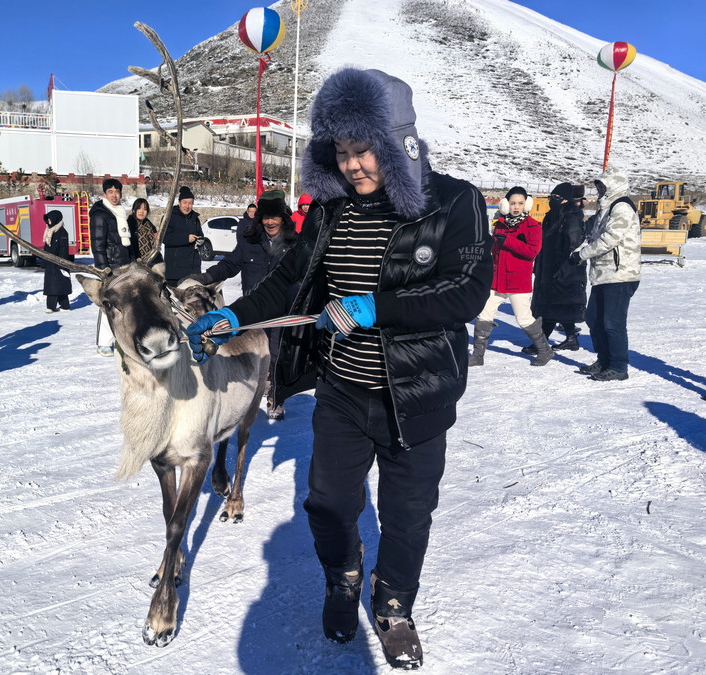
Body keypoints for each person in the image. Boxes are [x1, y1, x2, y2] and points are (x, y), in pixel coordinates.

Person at [186, 68, 493, 669]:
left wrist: (378, 307)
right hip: (343, 389)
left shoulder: (456, 201)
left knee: (407, 516)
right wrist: (235, 316)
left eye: (364, 150)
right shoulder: (332, 209)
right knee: (327, 505)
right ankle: (344, 577)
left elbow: (466, 290)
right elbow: (289, 279)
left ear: (399, 142)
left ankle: (394, 603)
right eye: (342, 152)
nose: (352, 166)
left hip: (418, 393)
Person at [183, 189, 299, 420]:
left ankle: (276, 396)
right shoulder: (249, 241)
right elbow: (230, 265)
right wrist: (206, 277)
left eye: (275, 217)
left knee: (277, 354)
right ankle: (251, 393)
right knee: (251, 354)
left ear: (283, 217)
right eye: (265, 217)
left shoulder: (294, 244)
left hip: (282, 311)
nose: (270, 222)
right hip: (253, 310)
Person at [571, 165, 641, 381]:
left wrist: (583, 254)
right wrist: (578, 251)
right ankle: (604, 360)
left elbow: (610, 239)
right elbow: (594, 237)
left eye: (602, 186)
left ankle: (618, 366)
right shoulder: (606, 208)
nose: (599, 190)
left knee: (612, 323)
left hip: (620, 275)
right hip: (603, 275)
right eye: (598, 186)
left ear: (614, 185)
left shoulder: (622, 207)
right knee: (594, 319)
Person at [469, 186, 547, 366]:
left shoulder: (533, 226)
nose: (516, 207)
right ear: (506, 204)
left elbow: (532, 252)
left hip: (518, 281)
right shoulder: (500, 224)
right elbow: (495, 252)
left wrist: (510, 241)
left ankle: (545, 350)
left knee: (523, 319)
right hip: (497, 280)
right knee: (484, 314)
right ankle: (478, 356)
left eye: (520, 203)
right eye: (513, 203)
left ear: (527, 204)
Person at [526, 182, 587, 354]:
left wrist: (564, 268)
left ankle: (542, 342)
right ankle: (571, 339)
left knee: (552, 306)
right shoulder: (552, 216)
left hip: (564, 269)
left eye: (556, 197)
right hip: (549, 267)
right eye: (551, 197)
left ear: (566, 199)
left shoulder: (571, 216)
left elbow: (573, 244)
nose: (552, 200)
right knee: (559, 306)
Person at [89, 178, 133, 356]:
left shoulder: (119, 211)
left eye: (117, 192)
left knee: (123, 305)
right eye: (111, 192)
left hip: (123, 265)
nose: (114, 195)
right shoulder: (100, 214)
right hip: (110, 267)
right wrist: (103, 269)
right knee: (108, 304)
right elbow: (97, 244)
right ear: (104, 194)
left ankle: (120, 339)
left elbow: (125, 241)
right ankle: (104, 343)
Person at [163, 185, 203, 285]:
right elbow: (165, 238)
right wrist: (186, 239)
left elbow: (201, 236)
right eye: (185, 202)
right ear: (179, 203)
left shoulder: (195, 219)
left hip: (193, 271)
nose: (187, 206)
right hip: (175, 272)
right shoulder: (169, 217)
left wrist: (200, 242)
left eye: (190, 203)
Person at [42, 210, 72, 313]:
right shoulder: (49, 231)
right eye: (48, 219)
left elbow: (63, 250)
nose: (48, 221)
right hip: (50, 264)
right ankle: (65, 306)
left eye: (50, 219)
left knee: (55, 286)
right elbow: (47, 248)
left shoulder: (62, 232)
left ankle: (51, 307)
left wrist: (61, 265)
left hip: (58, 264)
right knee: (58, 285)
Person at [129, 197, 160, 262]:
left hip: (151, 261)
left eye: (145, 209)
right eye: (139, 208)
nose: (142, 211)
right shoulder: (130, 225)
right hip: (135, 263)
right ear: (133, 210)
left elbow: (156, 245)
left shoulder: (150, 226)